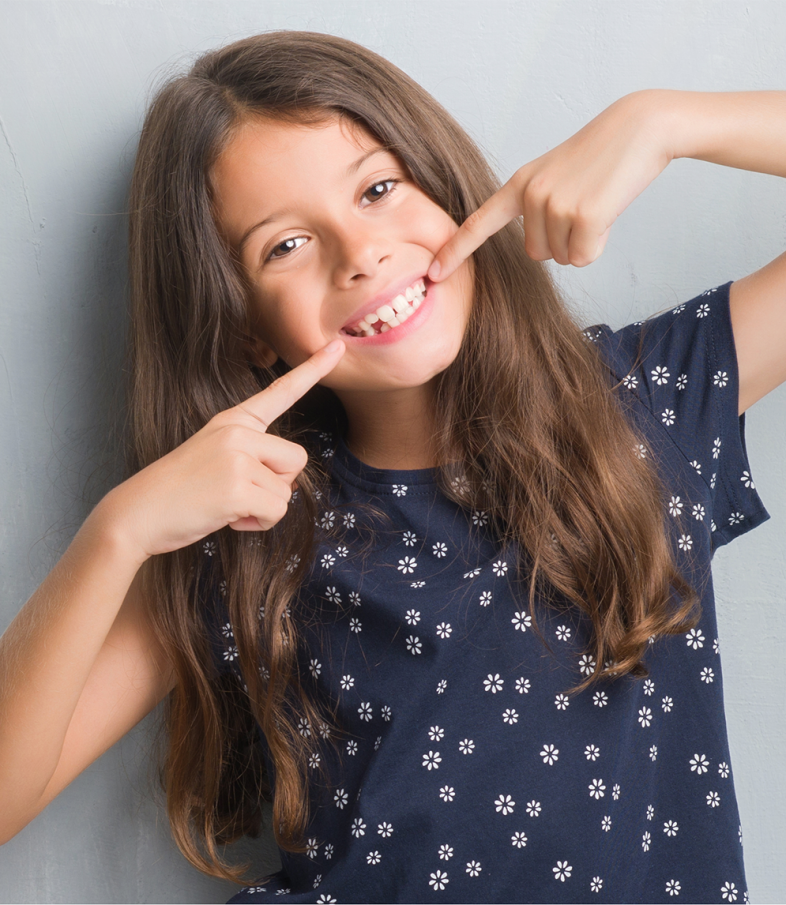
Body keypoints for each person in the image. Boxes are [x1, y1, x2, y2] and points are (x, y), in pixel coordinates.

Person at [1, 29, 785, 905]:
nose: (361, 255)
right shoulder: (250, 526)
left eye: (379, 189)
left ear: (447, 189)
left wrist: (667, 122)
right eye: (285, 246)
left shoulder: (652, 405)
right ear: (248, 329)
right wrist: (119, 532)